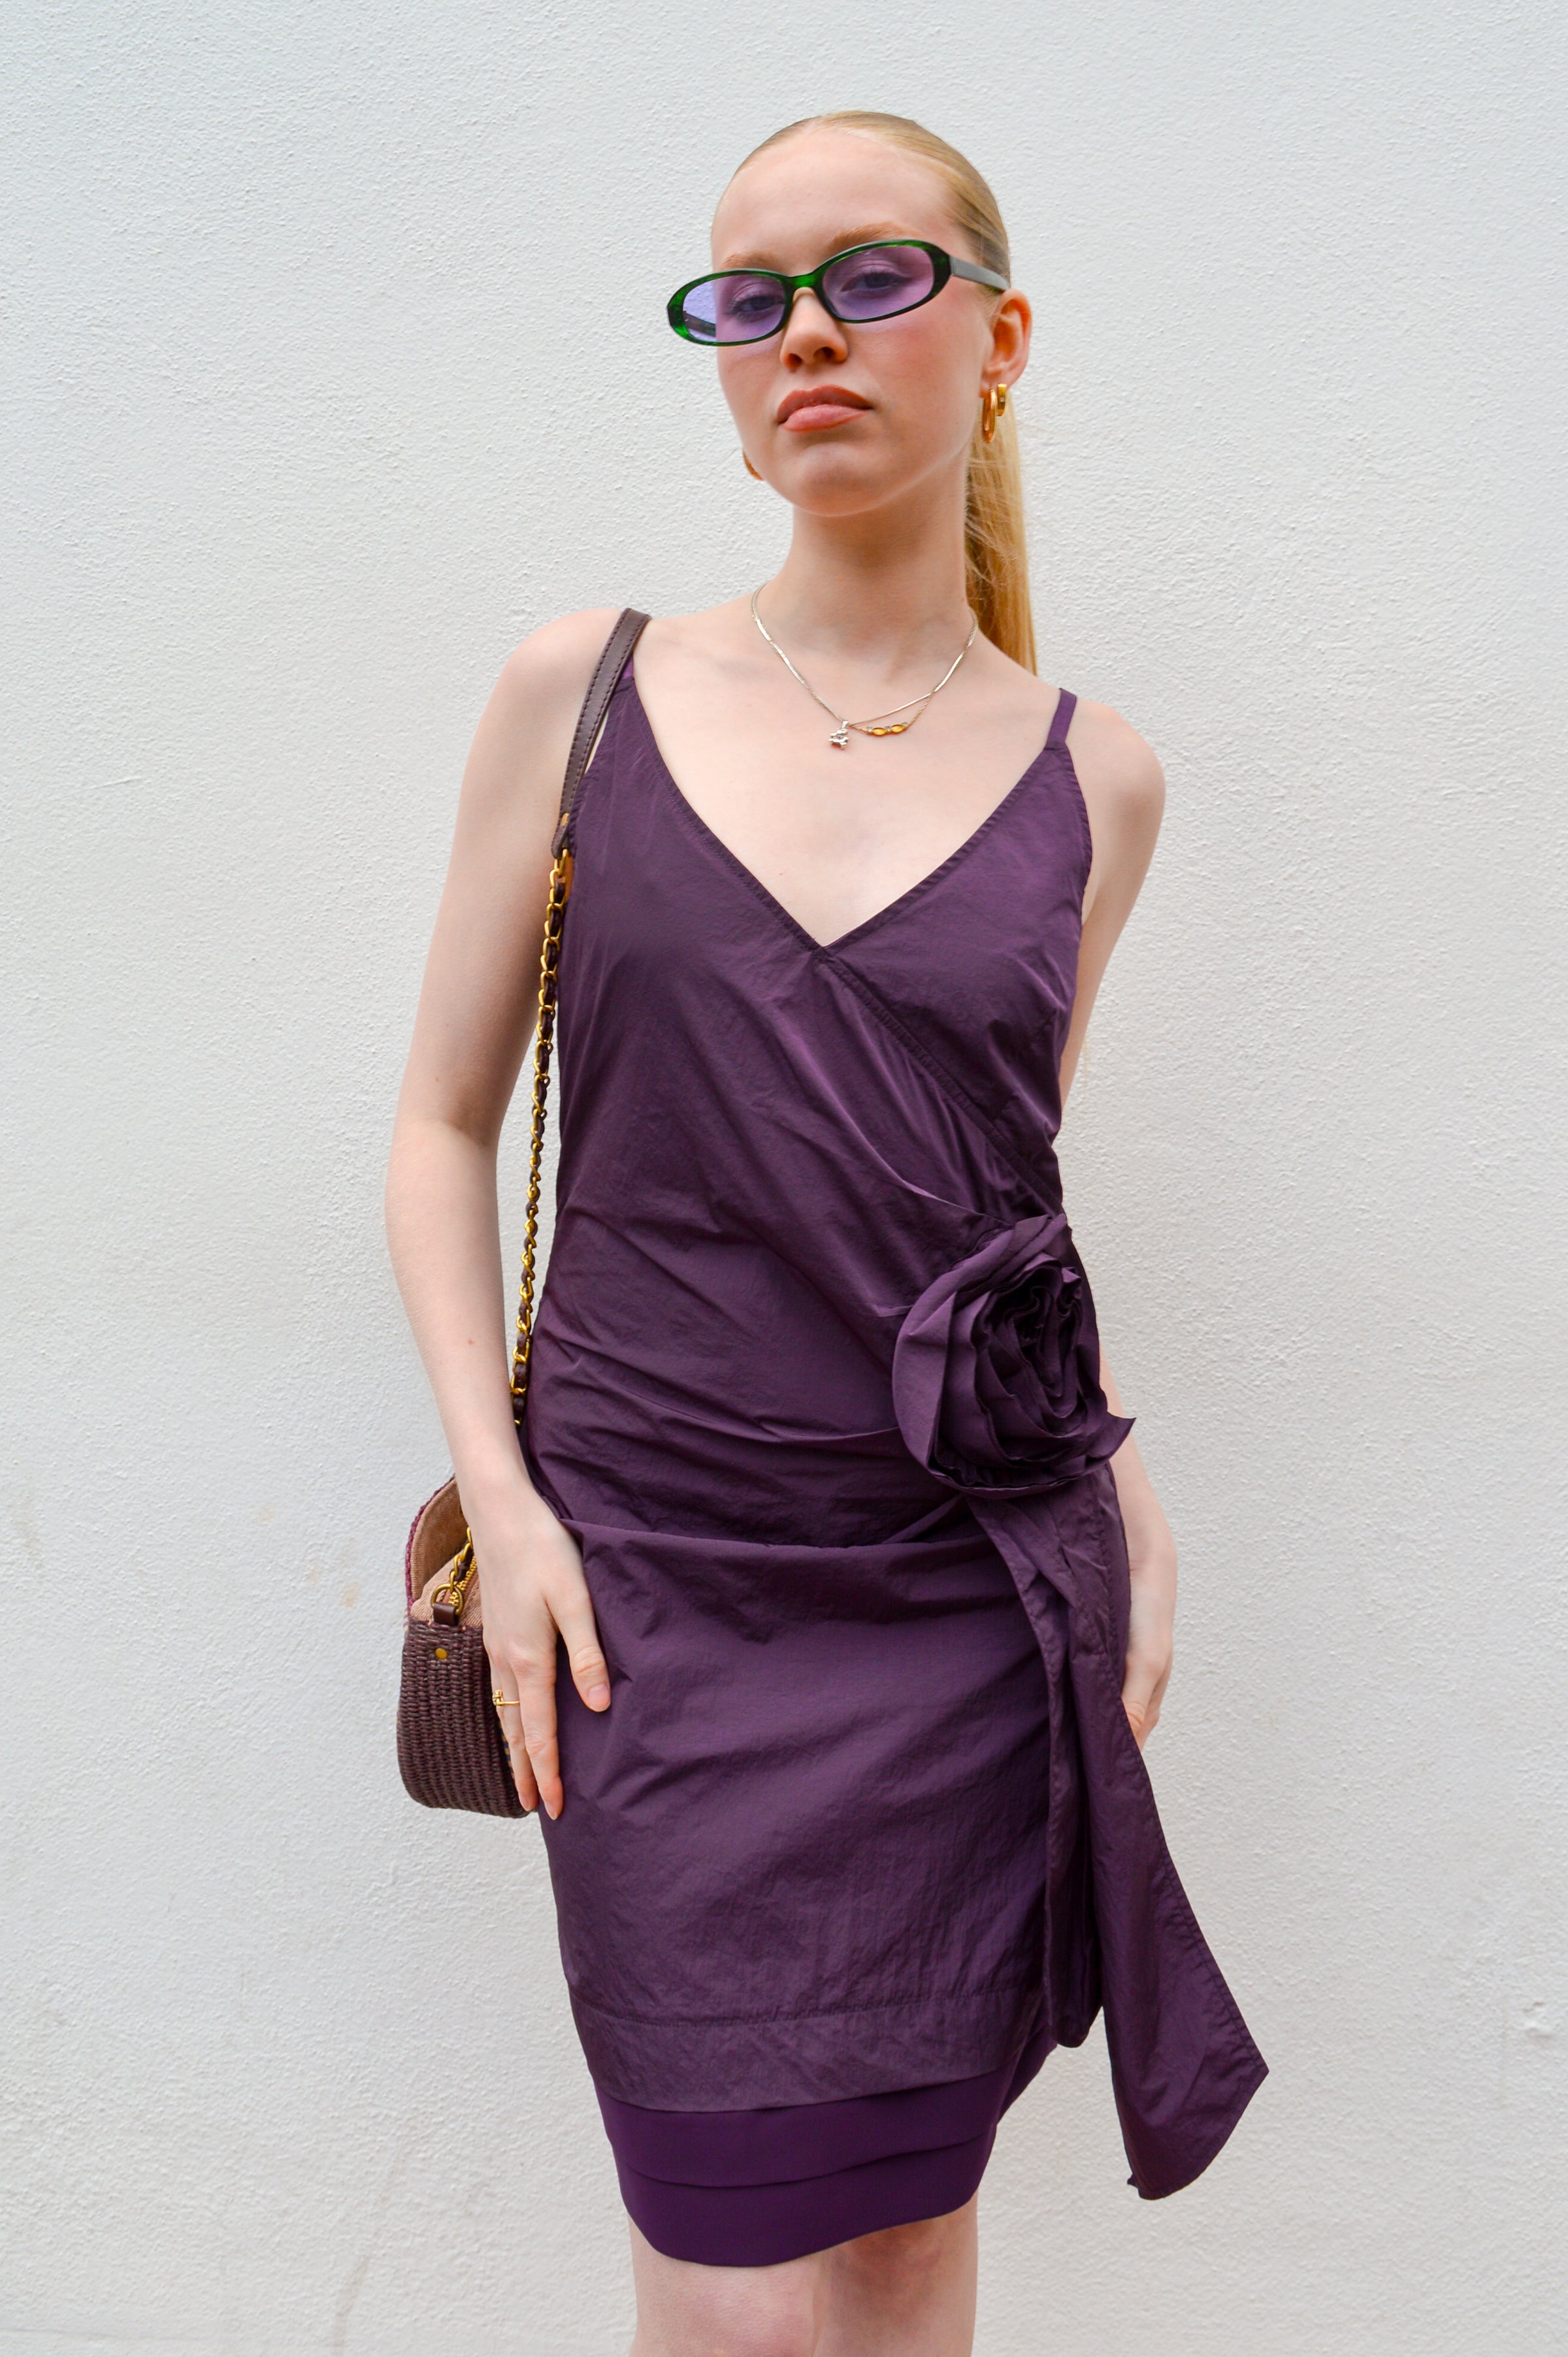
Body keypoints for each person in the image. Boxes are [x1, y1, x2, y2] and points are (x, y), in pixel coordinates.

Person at [387, 108, 1264, 2357]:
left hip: (958, 1597)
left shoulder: (1100, 778)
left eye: (873, 277)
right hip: (649, 1585)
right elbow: (440, 1124)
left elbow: (993, 1197)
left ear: (1004, 334)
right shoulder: (581, 690)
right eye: (748, 296)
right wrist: (506, 1509)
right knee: (733, 2300)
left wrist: (1124, 1483)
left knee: (897, 2255)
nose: (805, 335)